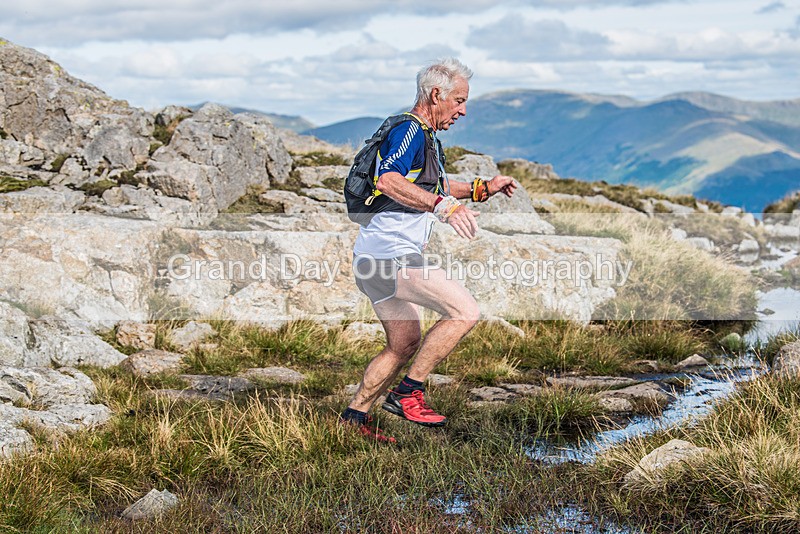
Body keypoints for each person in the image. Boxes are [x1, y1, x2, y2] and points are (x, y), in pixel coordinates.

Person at [340, 58, 517, 443]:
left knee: (402, 344)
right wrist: (443, 208)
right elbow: (387, 179)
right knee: (465, 311)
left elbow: (434, 185)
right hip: (390, 258)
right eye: (458, 100)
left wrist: (479, 189)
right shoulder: (409, 129)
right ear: (435, 94)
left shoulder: (425, 137)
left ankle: (353, 420)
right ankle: (409, 393)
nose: (463, 110)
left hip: (372, 261)